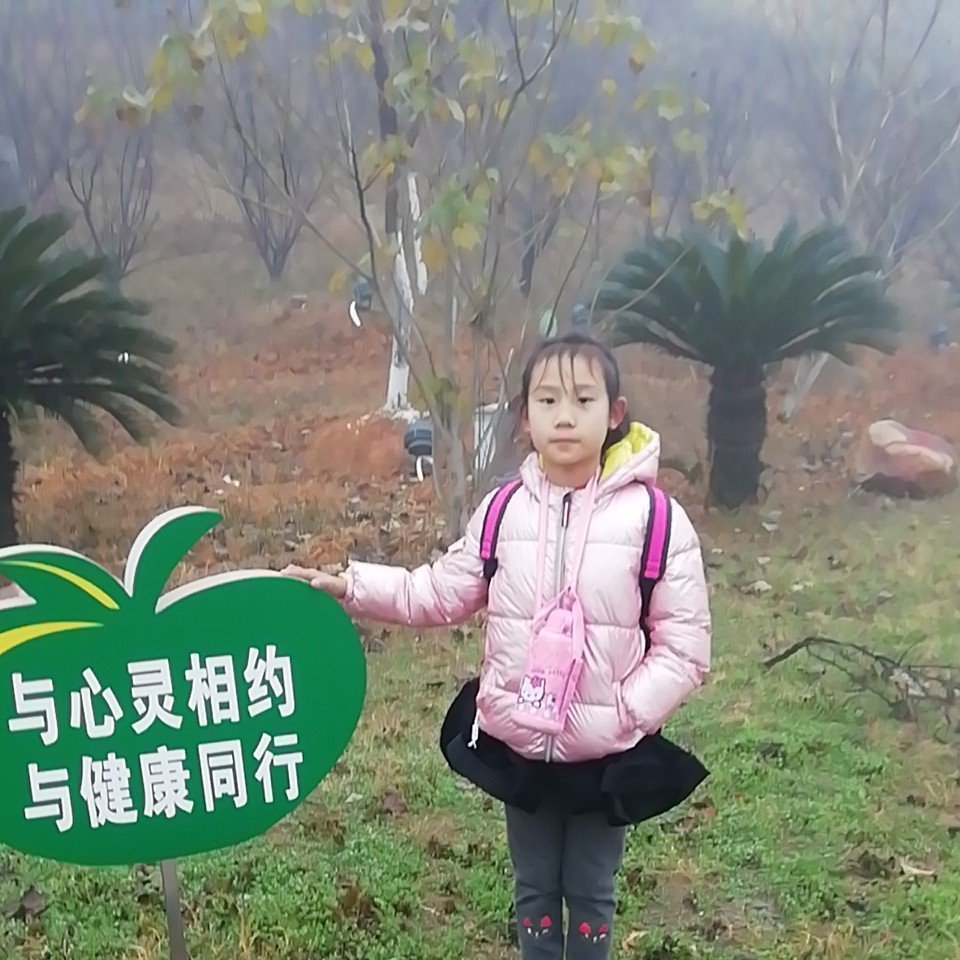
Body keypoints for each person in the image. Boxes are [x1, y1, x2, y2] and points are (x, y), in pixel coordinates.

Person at [283, 332, 712, 959]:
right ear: (525, 416)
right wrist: (350, 586)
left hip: (605, 756)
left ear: (614, 413)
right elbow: (436, 592)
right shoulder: (502, 511)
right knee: (533, 888)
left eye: (583, 400)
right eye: (548, 400)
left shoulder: (657, 521)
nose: (564, 417)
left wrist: (624, 712)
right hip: (521, 744)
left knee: (592, 892)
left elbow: (685, 646)